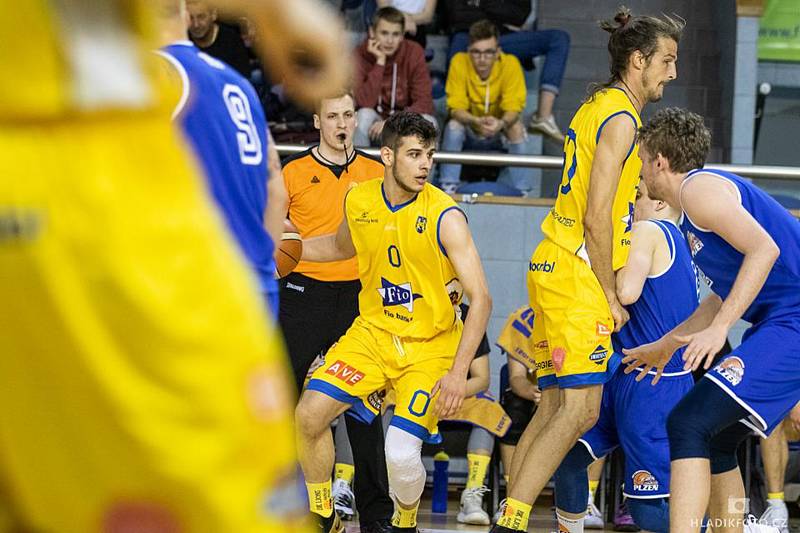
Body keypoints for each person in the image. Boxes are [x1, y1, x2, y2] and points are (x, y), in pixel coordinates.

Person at [0, 0, 349, 531]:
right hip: (179, 269)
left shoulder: (165, 76)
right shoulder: (206, 79)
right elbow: (275, 186)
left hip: (94, 221)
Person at [492, 9, 683, 532]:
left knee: (555, 408)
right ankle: (509, 523)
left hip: (554, 263)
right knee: (578, 412)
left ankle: (509, 515)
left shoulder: (598, 104)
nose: (672, 73)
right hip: (576, 272)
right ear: (638, 60)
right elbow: (597, 214)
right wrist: (609, 292)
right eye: (666, 61)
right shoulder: (621, 117)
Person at [294, 111, 492, 533]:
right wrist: (289, 251)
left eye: (430, 155)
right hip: (374, 335)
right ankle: (324, 515)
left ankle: (405, 522)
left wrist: (458, 373)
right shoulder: (359, 199)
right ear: (387, 155)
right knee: (310, 414)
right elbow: (336, 246)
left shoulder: (446, 217)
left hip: (431, 345)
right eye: (415, 154)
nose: (425, 165)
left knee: (400, 456)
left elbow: (483, 300)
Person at [622, 107, 800, 532]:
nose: (640, 169)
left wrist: (720, 331)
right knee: (718, 438)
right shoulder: (692, 213)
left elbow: (765, 250)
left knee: (687, 422)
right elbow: (720, 295)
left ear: (659, 161)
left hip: (792, 318)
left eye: (642, 159)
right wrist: (667, 344)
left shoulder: (699, 190)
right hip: (779, 320)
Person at [552, 178, 699, 533]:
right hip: (624, 375)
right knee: (570, 460)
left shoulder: (648, 230)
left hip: (653, 384)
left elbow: (627, 292)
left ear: (662, 202)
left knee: (647, 509)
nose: (627, 204)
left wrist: (589, 259)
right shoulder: (678, 241)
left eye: (636, 196)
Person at [280, 91, 394, 532]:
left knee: (364, 410)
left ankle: (377, 516)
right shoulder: (294, 172)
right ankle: (298, 506)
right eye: (333, 116)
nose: (342, 123)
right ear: (317, 121)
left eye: (348, 114)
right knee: (285, 405)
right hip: (300, 294)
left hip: (358, 299)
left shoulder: (373, 171)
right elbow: (277, 235)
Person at [158, 8, 283, 314]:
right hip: (256, 290)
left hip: (197, 289)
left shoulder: (154, 75)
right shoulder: (240, 86)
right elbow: (278, 193)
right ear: (186, 14)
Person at [443, 0, 570, 143]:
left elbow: (520, 15)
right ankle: (457, 112)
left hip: (502, 38)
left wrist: (480, 4)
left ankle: (543, 116)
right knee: (458, 51)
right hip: (469, 37)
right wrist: (499, 12)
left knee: (559, 38)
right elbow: (456, 15)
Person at [439, 19, 532, 194]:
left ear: (498, 51)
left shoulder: (510, 63)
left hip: (499, 128)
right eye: (476, 52)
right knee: (453, 125)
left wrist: (501, 124)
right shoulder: (459, 61)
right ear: (468, 51)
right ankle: (448, 187)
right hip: (470, 126)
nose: (482, 59)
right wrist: (475, 120)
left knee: (516, 127)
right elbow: (456, 108)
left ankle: (524, 192)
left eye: (488, 52)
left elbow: (514, 107)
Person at [353, 6, 436, 147]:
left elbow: (424, 102)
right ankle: (360, 169)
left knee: (429, 121)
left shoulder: (414, 52)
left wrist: (393, 121)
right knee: (363, 115)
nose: (390, 41)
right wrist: (380, 62)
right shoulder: (361, 54)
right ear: (372, 32)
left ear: (402, 35)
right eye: (384, 33)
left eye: (396, 34)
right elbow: (363, 102)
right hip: (375, 123)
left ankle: (424, 170)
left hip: (405, 122)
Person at [186, 0, 255, 79]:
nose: (196, 24)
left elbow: (243, 80)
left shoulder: (231, 41)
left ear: (214, 15)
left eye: (201, 17)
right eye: (190, 18)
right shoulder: (182, 40)